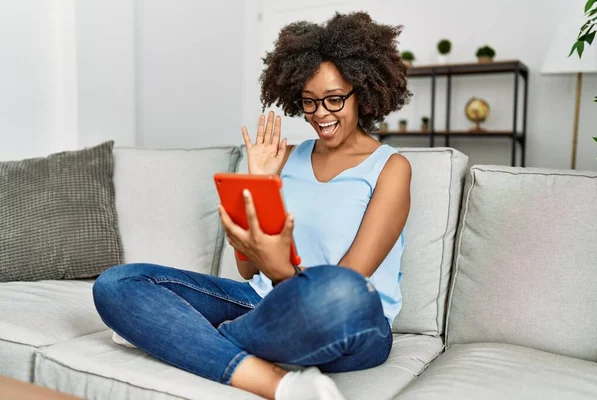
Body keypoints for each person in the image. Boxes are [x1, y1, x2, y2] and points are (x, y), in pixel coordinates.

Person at [93, 11, 411, 400]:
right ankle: (276, 382)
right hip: (260, 306)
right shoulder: (286, 157)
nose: (321, 114)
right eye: (309, 102)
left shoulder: (390, 168)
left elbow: (347, 280)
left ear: (362, 91)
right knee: (117, 284)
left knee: (340, 291)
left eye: (334, 99)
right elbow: (246, 269)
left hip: (352, 321)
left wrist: (282, 273)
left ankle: (174, 336)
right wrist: (260, 181)